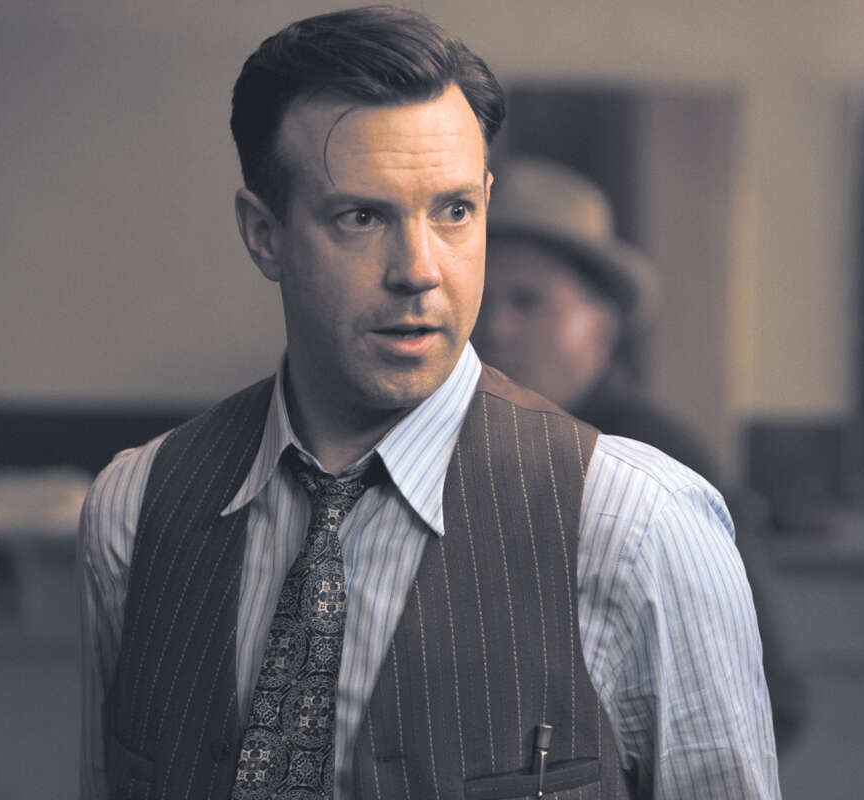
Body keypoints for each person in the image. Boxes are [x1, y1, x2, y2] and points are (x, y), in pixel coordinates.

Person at [78, 7, 780, 800]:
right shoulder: (134, 509)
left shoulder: (638, 525)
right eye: (361, 216)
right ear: (264, 234)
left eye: (453, 211)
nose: (419, 269)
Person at [473, 155, 807, 750]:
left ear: (602, 325)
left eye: (529, 302)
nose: (494, 328)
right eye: (477, 300)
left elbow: (767, 699)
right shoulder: (441, 447)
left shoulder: (660, 466)